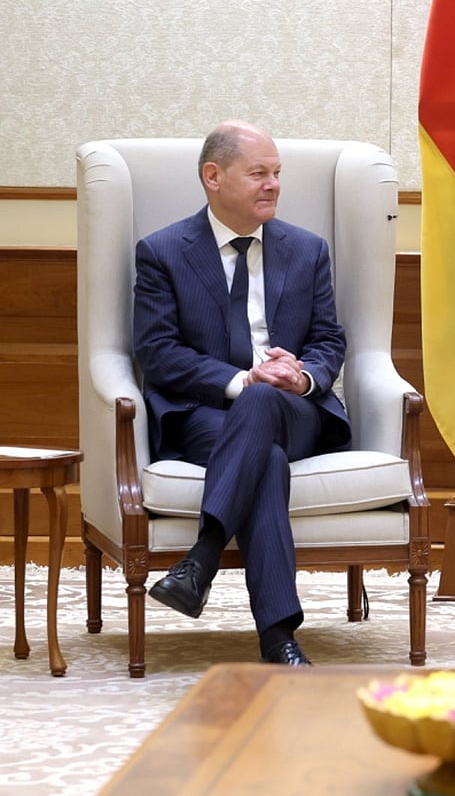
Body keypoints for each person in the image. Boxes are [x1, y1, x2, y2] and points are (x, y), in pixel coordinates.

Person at [133, 120, 351, 666]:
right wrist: (241, 380)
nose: (273, 184)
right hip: (206, 415)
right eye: (258, 173)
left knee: (264, 407)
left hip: (294, 409)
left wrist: (300, 376)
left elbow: (328, 338)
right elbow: (157, 351)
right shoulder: (162, 252)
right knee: (266, 462)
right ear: (214, 176)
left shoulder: (306, 250)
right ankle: (279, 638)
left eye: (276, 173)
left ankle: (201, 560)